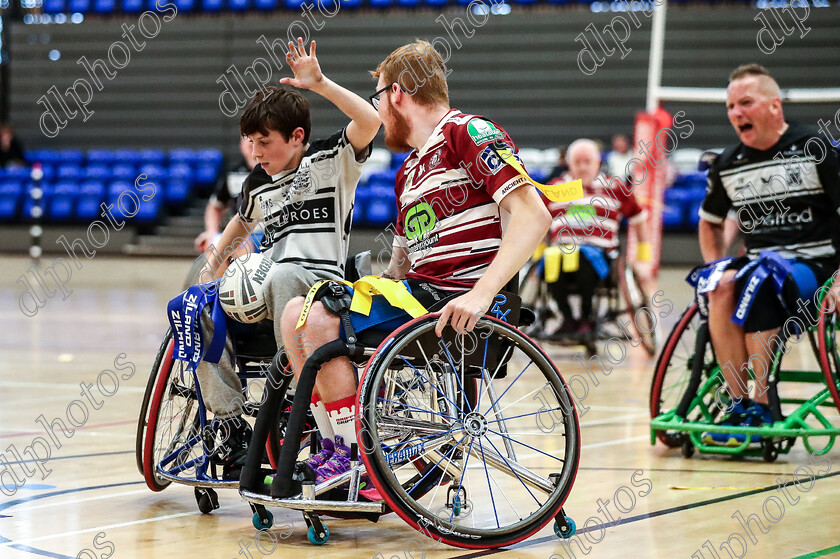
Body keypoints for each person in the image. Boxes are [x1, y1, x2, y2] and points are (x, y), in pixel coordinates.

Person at [279, 39, 552, 486]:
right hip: (418, 297)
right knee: (298, 314)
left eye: (379, 98)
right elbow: (401, 265)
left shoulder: (467, 133)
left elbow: (534, 215)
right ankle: (337, 450)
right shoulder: (408, 171)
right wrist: (371, 290)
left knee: (321, 318)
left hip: (459, 304)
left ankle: (354, 461)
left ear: (398, 94)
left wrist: (482, 295)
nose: (379, 110)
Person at [193, 38, 380, 477]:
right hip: (266, 288)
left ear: (297, 137)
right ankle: (231, 424)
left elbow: (370, 120)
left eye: (264, 142)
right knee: (195, 308)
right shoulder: (258, 184)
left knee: (282, 276)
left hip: (321, 293)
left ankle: (296, 407)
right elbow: (239, 224)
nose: (255, 153)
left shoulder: (332, 162)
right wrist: (210, 270)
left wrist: (320, 83)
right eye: (249, 142)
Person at [697, 64, 840, 445]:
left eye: (745, 103)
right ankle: (739, 403)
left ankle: (762, 401)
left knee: (760, 282)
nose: (736, 113)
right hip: (757, 263)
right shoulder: (728, 163)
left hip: (817, 266)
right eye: (730, 106)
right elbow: (709, 222)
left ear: (774, 106)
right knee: (721, 285)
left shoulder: (815, 148)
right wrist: (714, 265)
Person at [543, 138, 651, 336]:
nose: (583, 167)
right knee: (551, 261)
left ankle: (586, 318)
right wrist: (538, 254)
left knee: (585, 257)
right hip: (560, 252)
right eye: (577, 162)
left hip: (599, 255)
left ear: (598, 163)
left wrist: (644, 258)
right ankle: (568, 319)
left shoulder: (615, 187)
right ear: (569, 163)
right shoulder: (555, 187)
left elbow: (639, 218)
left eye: (588, 162)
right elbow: (538, 222)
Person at [194, 136, 258, 253]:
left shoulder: (277, 171)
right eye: (247, 140)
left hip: (268, 233)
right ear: (241, 145)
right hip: (241, 232)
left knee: (240, 246)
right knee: (213, 245)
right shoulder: (233, 174)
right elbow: (214, 207)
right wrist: (211, 232)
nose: (251, 145)